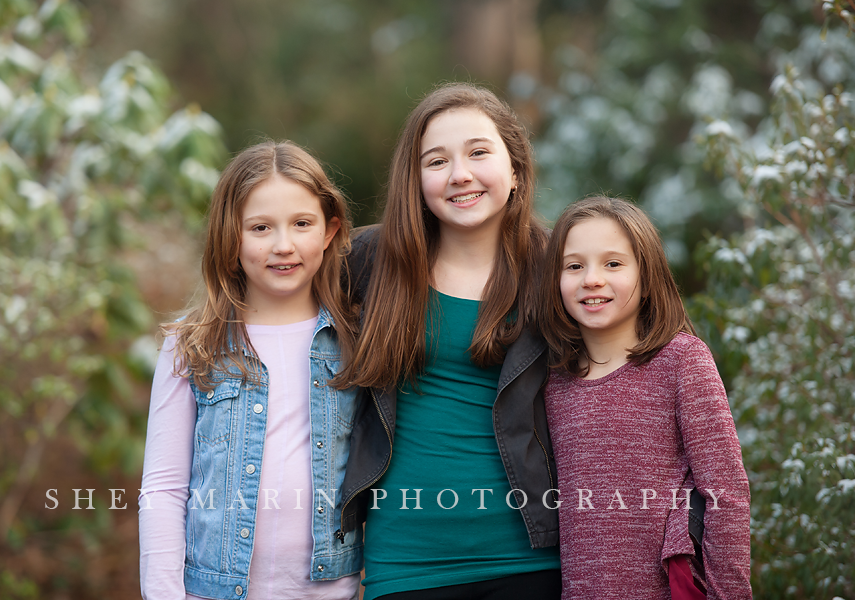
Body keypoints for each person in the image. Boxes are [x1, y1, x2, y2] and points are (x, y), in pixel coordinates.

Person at [336, 83, 561, 600]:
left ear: (517, 170)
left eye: (479, 152)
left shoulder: (557, 268)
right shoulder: (369, 261)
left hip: (527, 559)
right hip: (404, 564)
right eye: (436, 161)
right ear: (415, 182)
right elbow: (271, 292)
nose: (460, 174)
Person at [138, 140, 363, 600]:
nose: (283, 245)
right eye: (260, 227)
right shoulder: (192, 346)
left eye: (302, 224)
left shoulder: (357, 341)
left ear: (328, 229)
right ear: (231, 236)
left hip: (329, 591)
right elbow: (163, 487)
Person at [539, 196, 751, 599]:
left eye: (613, 263)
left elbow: (726, 494)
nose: (592, 279)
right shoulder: (553, 383)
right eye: (574, 266)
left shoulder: (682, 360)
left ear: (647, 273)